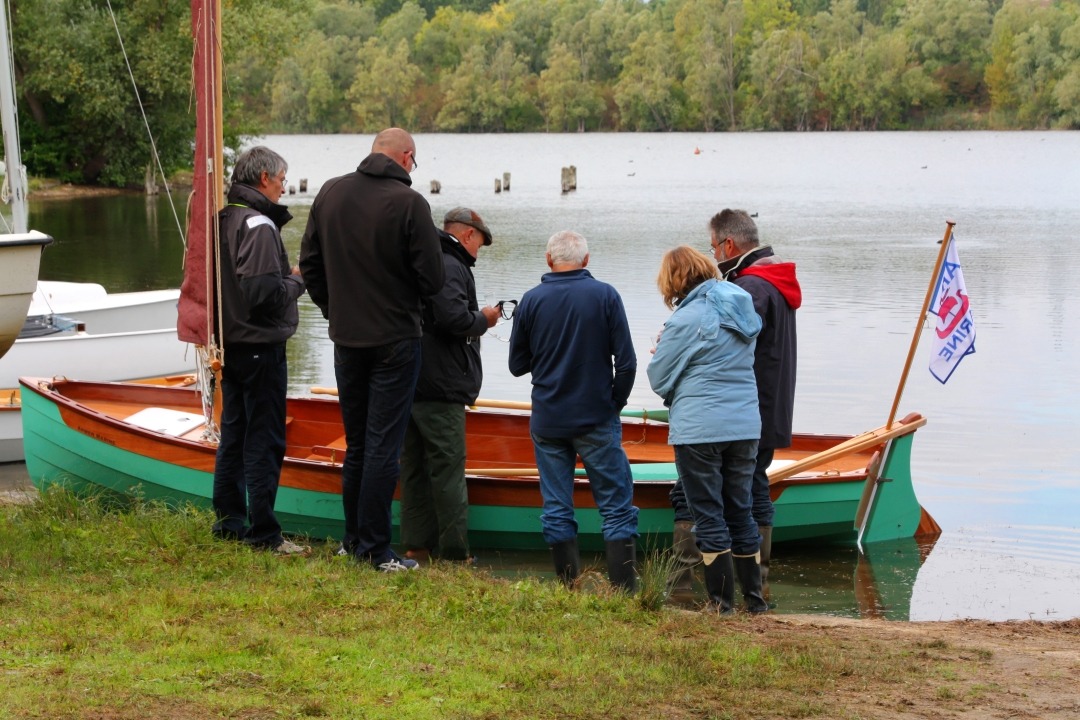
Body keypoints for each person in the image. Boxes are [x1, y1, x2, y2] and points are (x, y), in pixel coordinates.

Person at [299, 128, 444, 572]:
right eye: (413, 163)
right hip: (396, 340)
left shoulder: (330, 193)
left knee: (359, 443)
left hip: (347, 339)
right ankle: (378, 551)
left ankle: (353, 541)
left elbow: (309, 263)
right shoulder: (409, 203)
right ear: (405, 156)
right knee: (383, 446)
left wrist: (332, 309)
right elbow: (433, 279)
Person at [508, 230, 639, 592]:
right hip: (596, 416)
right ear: (586, 259)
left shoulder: (531, 301)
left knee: (556, 505)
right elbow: (626, 364)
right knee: (615, 505)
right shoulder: (606, 295)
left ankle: (569, 588)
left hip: (548, 419)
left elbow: (517, 366)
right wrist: (614, 405)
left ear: (549, 260)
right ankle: (624, 593)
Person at [647, 245, 767, 613]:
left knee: (709, 514)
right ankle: (755, 601)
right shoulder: (741, 304)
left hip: (700, 429)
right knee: (741, 510)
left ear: (673, 281)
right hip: (745, 425)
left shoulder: (685, 320)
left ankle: (720, 605)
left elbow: (659, 377)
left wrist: (660, 353)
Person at [211, 145, 308, 555]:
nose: (284, 187)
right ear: (265, 178)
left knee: (234, 433)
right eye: (283, 180)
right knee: (264, 439)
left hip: (232, 344)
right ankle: (265, 533)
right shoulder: (258, 224)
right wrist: (298, 279)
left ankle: (230, 521)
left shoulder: (223, 218)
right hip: (259, 346)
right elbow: (262, 294)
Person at [398, 207, 500, 564]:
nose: (479, 251)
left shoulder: (422, 258)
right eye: (480, 243)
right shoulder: (451, 263)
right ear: (468, 235)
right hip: (441, 387)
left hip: (410, 381)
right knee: (447, 469)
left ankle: (416, 545)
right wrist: (484, 319)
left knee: (413, 467)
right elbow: (452, 318)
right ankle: (455, 554)